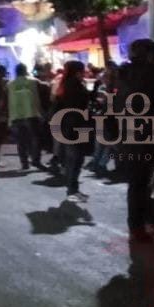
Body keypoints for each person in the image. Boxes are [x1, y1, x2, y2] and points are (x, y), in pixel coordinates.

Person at [117, 38, 154, 244]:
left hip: (129, 136)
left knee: (138, 184)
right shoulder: (149, 77)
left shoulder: (125, 76)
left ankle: (140, 225)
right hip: (146, 137)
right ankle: (141, 226)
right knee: (143, 184)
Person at [52, 60, 93, 202]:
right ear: (77, 72)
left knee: (73, 159)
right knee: (76, 159)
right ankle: (72, 190)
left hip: (67, 125)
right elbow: (81, 105)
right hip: (75, 126)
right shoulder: (75, 87)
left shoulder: (65, 85)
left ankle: (72, 189)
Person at [7, 64, 43, 170]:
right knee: (35, 139)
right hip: (31, 114)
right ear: (25, 71)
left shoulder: (10, 85)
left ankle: (24, 163)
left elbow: (6, 100)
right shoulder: (34, 82)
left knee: (21, 141)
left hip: (16, 115)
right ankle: (36, 160)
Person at [88, 61, 119, 176]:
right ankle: (99, 164)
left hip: (107, 117)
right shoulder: (106, 88)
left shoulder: (111, 87)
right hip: (107, 117)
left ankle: (98, 164)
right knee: (106, 143)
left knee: (103, 142)